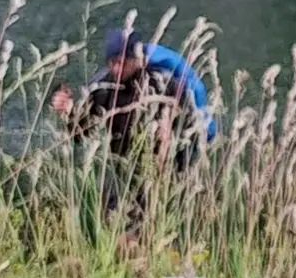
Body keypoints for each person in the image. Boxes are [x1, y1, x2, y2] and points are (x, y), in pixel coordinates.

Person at [53, 27, 214, 220]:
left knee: (145, 227)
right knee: (113, 221)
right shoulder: (103, 89)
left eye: (122, 62)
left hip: (165, 167)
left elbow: (189, 126)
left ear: (138, 60)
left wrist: (167, 128)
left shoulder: (161, 83)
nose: (116, 69)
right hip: (123, 167)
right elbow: (82, 134)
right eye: (111, 62)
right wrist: (69, 114)